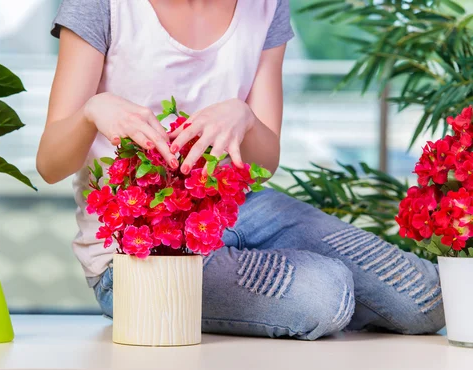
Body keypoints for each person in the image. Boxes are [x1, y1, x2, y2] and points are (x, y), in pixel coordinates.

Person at [37, 0, 445, 340]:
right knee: (325, 295)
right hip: (135, 252)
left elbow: (263, 166)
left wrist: (244, 117)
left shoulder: (265, 6)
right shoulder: (103, 4)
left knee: (427, 299)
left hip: (242, 209)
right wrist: (92, 111)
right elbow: (50, 164)